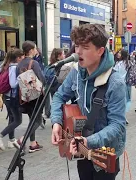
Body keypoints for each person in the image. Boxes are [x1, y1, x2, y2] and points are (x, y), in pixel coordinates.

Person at [51, 24, 126, 180]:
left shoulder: (115, 82)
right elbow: (59, 96)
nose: (78, 52)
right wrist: (56, 122)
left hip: (103, 153)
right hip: (81, 148)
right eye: (77, 46)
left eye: (85, 47)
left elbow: (118, 124)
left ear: (100, 51)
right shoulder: (76, 73)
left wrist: (88, 140)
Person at [0, 49, 24, 150]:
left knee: (12, 118)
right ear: (18, 58)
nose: (23, 59)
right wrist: (22, 77)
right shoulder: (14, 67)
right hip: (12, 97)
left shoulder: (5, 66)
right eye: (22, 57)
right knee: (18, 120)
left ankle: (11, 140)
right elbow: (13, 84)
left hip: (6, 96)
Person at [16, 40, 45, 152]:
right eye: (35, 48)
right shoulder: (34, 63)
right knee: (37, 120)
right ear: (31, 50)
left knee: (32, 119)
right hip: (36, 96)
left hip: (25, 96)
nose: (36, 50)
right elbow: (42, 79)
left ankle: (33, 144)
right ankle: (23, 139)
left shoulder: (20, 64)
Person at [43, 48, 66, 126]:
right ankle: (59, 120)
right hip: (58, 86)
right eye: (63, 54)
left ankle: (52, 117)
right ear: (59, 56)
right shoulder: (60, 66)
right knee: (60, 103)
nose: (65, 56)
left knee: (55, 102)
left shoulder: (50, 65)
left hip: (51, 87)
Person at [114, 49, 132, 124]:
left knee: (121, 100)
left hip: (121, 83)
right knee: (126, 100)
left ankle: (121, 117)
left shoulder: (120, 64)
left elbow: (116, 73)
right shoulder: (128, 63)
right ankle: (123, 116)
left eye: (120, 53)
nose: (118, 54)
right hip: (127, 83)